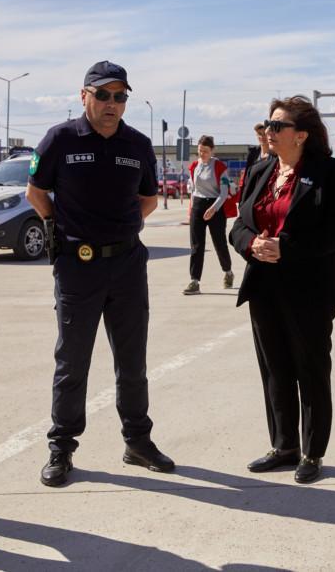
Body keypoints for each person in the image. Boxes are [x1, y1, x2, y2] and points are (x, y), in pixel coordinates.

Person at [26, 60, 175, 488]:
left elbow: (148, 199)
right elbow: (35, 192)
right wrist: (63, 227)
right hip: (78, 264)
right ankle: (62, 447)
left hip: (127, 263)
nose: (112, 104)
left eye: (120, 96)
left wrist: (121, 228)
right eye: (104, 95)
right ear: (84, 95)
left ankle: (138, 441)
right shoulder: (61, 139)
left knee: (132, 361)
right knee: (72, 362)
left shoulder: (138, 144)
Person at [229, 96, 335, 484]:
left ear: (300, 135)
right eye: (267, 123)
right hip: (264, 285)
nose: (269, 130)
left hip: (310, 288)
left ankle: (312, 451)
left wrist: (286, 247)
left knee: (310, 370)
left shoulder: (329, 171)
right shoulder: (261, 168)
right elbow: (238, 225)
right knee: (275, 369)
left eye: (277, 125)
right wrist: (252, 245)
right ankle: (284, 446)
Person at [184, 135, 235, 294]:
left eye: (205, 151)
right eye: (200, 151)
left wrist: (213, 209)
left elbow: (224, 192)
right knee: (196, 245)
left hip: (215, 206)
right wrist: (191, 210)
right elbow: (192, 190)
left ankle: (227, 271)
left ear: (212, 150)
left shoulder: (219, 167)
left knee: (219, 243)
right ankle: (194, 280)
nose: (202, 154)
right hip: (198, 207)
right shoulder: (194, 166)